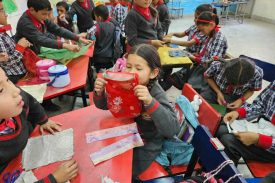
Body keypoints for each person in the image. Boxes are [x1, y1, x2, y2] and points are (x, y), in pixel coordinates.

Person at [93, 44, 179, 178]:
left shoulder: (155, 93)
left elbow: (172, 129)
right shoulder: (125, 83)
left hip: (147, 142)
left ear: (153, 73)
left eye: (138, 68)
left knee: (124, 172)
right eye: (128, 67)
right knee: (103, 159)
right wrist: (99, 93)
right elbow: (109, 106)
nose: (131, 72)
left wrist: (150, 102)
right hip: (126, 131)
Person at [0, 68, 78, 183]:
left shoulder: (14, 104)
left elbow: (30, 102)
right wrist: (53, 180)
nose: (15, 90)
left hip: (29, 151)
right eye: (1, 90)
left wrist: (43, 120)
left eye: (8, 79)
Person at [217, 80, 275, 165]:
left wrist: (259, 139)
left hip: (271, 145)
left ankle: (223, 176)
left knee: (229, 141)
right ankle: (210, 169)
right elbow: (260, 105)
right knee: (220, 127)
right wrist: (238, 113)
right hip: (263, 128)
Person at [15, 0, 90, 54]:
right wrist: (65, 45)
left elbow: (57, 29)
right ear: (32, 10)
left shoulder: (40, 17)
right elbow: (41, 39)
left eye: (47, 14)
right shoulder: (25, 23)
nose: (46, 17)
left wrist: (78, 38)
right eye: (44, 14)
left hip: (40, 48)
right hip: (29, 54)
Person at [0, 0, 31, 83]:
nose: (6, 14)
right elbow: (6, 63)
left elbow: (10, 51)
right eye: (2, 10)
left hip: (21, 72)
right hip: (16, 77)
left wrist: (22, 45)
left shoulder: (2, 33)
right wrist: (20, 48)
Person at [86, 4, 119, 72]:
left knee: (99, 75)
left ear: (99, 18)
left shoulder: (96, 27)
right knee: (108, 74)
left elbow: (90, 38)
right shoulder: (113, 26)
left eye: (95, 16)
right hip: (110, 57)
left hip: (98, 58)